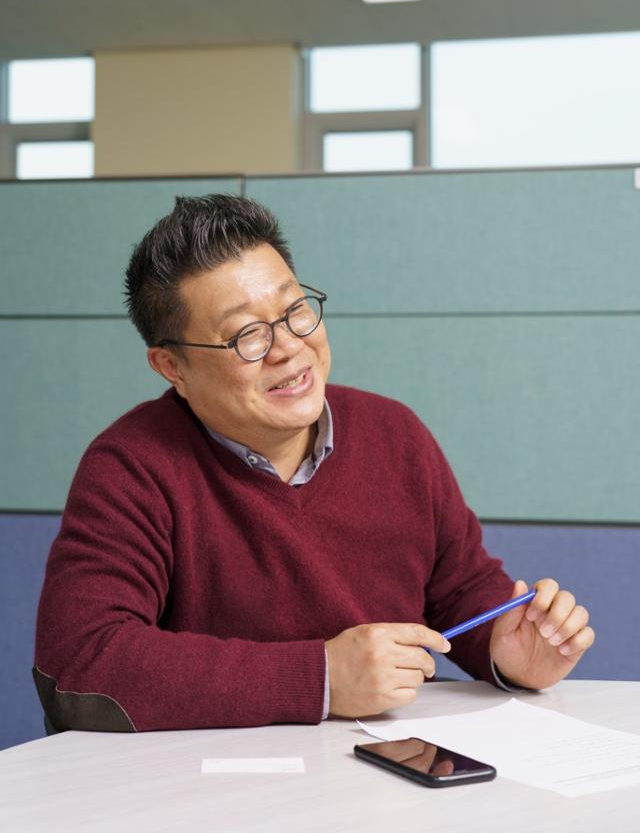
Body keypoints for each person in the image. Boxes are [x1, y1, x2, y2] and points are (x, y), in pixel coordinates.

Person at [34, 194, 595, 733]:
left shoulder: (394, 433)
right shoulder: (132, 466)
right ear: (171, 367)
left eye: (295, 310)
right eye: (246, 335)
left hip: (380, 776)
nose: (288, 348)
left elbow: (461, 591)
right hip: (212, 794)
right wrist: (322, 676)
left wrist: (508, 647)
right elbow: (81, 659)